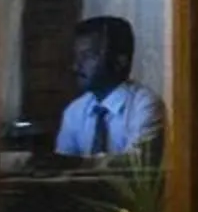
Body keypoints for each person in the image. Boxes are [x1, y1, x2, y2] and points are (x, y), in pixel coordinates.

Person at [52, 17, 164, 164]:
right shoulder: (75, 111)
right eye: (77, 57)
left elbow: (136, 166)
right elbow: (62, 166)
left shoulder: (144, 106)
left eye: (87, 56)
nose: (76, 66)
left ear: (120, 61)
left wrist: (80, 164)